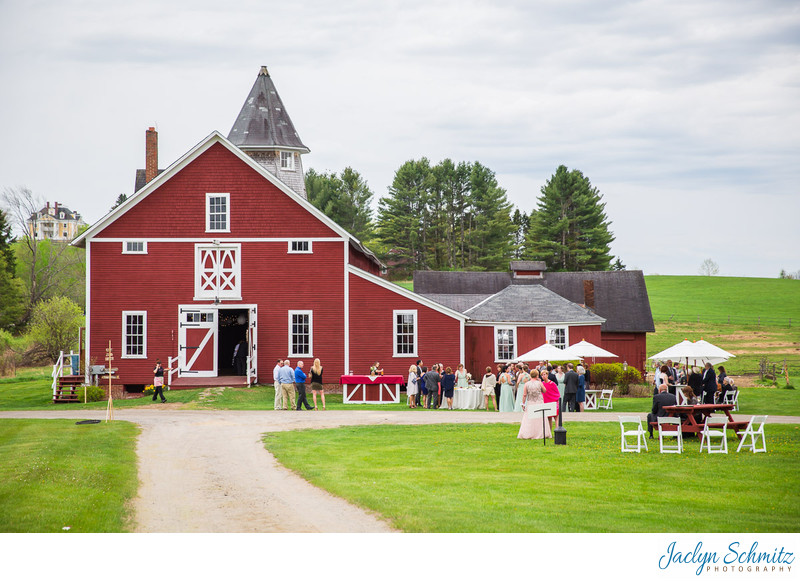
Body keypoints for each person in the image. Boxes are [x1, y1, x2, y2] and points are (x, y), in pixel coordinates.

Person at [517, 369, 551, 440]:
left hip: (530, 402)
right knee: (539, 418)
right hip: (539, 401)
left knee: (529, 419)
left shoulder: (527, 384)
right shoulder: (539, 383)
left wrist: (523, 403)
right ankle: (540, 433)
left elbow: (524, 395)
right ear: (537, 375)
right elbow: (544, 391)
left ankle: (529, 433)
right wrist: (540, 383)